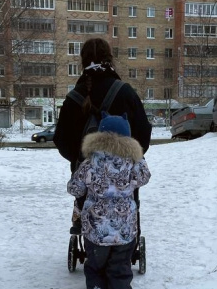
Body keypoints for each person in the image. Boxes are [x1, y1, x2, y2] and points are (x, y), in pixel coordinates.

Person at [54, 37, 152, 235]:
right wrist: (128, 156)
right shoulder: (125, 93)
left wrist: (79, 159)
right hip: (123, 175)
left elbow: (61, 138)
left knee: (85, 205)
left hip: (86, 171)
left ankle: (88, 238)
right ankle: (125, 242)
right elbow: (143, 133)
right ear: (110, 59)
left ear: (83, 62)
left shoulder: (74, 98)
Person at [67, 113, 151, 289]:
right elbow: (145, 177)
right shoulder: (134, 162)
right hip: (124, 232)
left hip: (95, 231)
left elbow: (74, 189)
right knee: (121, 272)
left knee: (95, 269)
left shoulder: (90, 162)